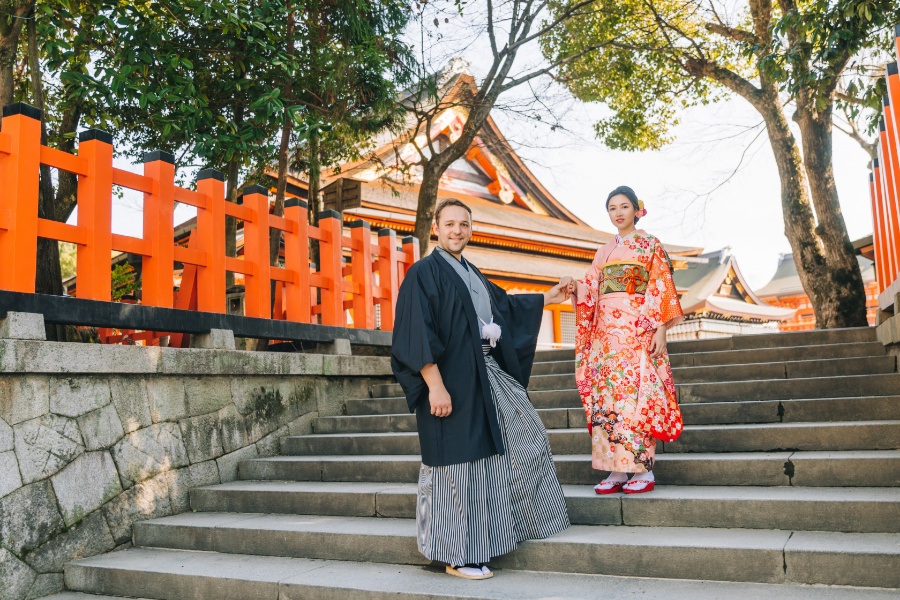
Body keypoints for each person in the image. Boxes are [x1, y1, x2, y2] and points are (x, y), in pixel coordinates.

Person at [391, 198, 571, 580]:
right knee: (460, 468)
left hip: (486, 374)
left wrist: (550, 297)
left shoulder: (472, 272)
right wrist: (435, 387)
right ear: (437, 227)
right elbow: (414, 332)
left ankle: (509, 527)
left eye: (465, 224)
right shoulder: (423, 273)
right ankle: (458, 553)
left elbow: (503, 306)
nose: (458, 230)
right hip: (449, 381)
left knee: (526, 436)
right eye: (451, 223)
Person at [571, 185, 684, 495]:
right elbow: (590, 288)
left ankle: (642, 470)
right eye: (612, 208)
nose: (618, 213)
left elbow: (661, 286)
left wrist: (660, 328)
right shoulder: (604, 251)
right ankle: (616, 470)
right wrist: (574, 289)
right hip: (606, 339)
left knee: (635, 399)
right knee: (608, 401)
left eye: (624, 206)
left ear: (637, 209)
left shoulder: (650, 245)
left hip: (637, 333)